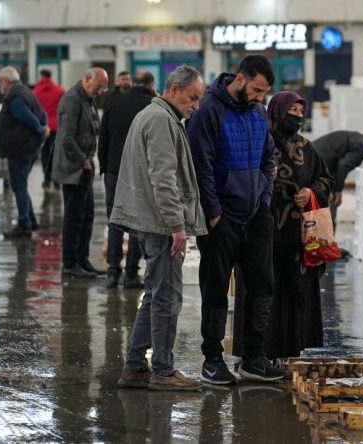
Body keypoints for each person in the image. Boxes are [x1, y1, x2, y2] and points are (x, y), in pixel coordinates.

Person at [112, 65, 207, 391]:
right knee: (167, 297)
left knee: (155, 294)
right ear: (174, 89)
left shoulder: (153, 115)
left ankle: (135, 366)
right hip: (160, 223)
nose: (196, 106)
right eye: (192, 98)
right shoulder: (160, 120)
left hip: (151, 219)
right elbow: (164, 178)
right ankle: (163, 371)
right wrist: (176, 225)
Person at [187, 55, 281, 384]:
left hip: (256, 214)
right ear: (240, 80)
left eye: (264, 92)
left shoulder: (258, 112)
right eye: (256, 90)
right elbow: (201, 166)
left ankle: (253, 358)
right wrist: (213, 213)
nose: (260, 97)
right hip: (221, 217)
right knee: (215, 290)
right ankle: (212, 359)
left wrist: (264, 200)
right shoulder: (208, 110)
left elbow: (268, 159)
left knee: (262, 286)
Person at [265, 91, 334, 361]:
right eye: (291, 110)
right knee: (267, 290)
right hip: (267, 232)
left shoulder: (306, 147)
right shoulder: (262, 143)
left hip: (300, 236)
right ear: (277, 111)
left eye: (300, 111)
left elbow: (326, 179)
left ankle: (292, 351)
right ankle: (261, 354)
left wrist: (310, 191)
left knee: (296, 289)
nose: (296, 115)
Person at [99, 70, 156, 289]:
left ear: (133, 83)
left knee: (115, 221)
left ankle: (112, 273)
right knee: (137, 223)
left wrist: (104, 167)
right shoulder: (153, 105)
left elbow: (103, 138)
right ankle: (131, 273)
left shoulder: (113, 102)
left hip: (114, 170)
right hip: (140, 172)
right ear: (151, 85)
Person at [52, 67, 109, 278]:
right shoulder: (72, 100)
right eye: (99, 86)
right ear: (87, 79)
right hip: (73, 169)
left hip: (84, 166)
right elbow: (67, 138)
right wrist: (83, 160)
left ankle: (82, 260)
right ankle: (70, 264)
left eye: (103, 89)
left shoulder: (87, 99)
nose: (100, 91)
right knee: (74, 218)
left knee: (87, 216)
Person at [0, 66, 49, 238]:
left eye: (0, 82)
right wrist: (44, 127)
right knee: (21, 184)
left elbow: (28, 117)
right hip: (29, 147)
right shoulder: (27, 92)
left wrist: (41, 130)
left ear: (7, 81)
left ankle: (24, 224)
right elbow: (42, 115)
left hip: (19, 148)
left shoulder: (15, 97)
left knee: (18, 185)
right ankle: (31, 220)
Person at [312, 129, 363, 226]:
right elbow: (343, 166)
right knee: (330, 204)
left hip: (312, 161)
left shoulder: (357, 137)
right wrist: (338, 190)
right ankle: (326, 233)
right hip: (318, 168)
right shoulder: (362, 147)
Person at [32, 69, 64, 192]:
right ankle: (56, 180)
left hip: (42, 127)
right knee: (55, 153)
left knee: (45, 153)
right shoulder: (60, 91)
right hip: (57, 126)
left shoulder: (35, 92)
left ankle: (47, 179)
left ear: (41, 76)